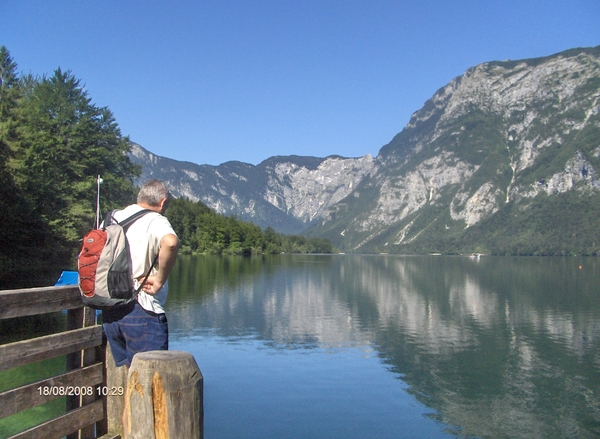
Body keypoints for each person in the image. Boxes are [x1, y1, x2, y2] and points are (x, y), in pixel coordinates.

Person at [102, 179, 179, 367]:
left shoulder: (113, 217)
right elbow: (170, 242)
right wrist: (160, 279)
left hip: (110, 309)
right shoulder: (155, 220)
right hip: (141, 310)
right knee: (150, 380)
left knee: (126, 377)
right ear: (162, 203)